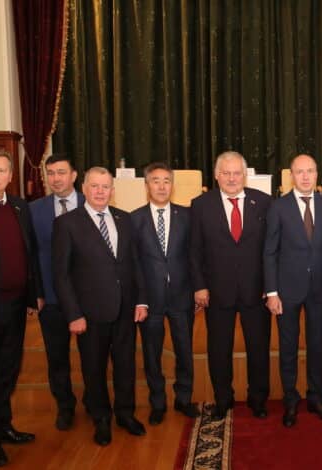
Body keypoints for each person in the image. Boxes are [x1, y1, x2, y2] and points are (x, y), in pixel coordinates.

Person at [52, 167, 148, 446]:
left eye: (105, 187)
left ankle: (125, 414)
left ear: (112, 191)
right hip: (90, 313)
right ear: (84, 189)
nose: (100, 191)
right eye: (94, 186)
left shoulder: (124, 219)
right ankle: (101, 418)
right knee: (93, 369)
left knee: (126, 366)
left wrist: (141, 299)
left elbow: (135, 263)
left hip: (126, 309)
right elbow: (61, 275)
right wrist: (74, 314)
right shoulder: (67, 224)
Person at [190, 152, 272, 420]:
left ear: (245, 175)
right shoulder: (200, 205)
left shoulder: (264, 202)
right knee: (219, 350)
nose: (232, 178)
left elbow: (272, 249)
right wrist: (200, 286)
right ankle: (223, 399)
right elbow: (194, 250)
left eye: (237, 173)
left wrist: (270, 285)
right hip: (217, 291)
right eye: (226, 173)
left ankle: (258, 399)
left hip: (256, 291)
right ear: (217, 175)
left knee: (258, 349)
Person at [264, 154, 322, 427]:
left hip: (320, 289)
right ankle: (290, 400)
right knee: (288, 347)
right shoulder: (278, 207)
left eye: (310, 171)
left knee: (317, 345)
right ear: (291, 176)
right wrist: (271, 292)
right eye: (300, 172)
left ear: (317, 174)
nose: (305, 176)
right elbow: (270, 252)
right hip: (287, 291)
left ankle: (316, 398)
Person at [0, 150, 43, 467]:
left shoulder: (20, 207)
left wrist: (33, 296)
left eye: (0, 171)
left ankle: (3, 425)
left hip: (15, 304)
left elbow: (29, 254)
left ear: (10, 176)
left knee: (8, 369)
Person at [131, 162, 198, 425]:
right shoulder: (134, 219)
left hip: (182, 296)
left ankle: (184, 398)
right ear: (146, 185)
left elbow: (195, 257)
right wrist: (140, 299)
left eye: (166, 181)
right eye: (155, 181)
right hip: (150, 299)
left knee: (185, 350)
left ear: (172, 185)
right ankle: (157, 402)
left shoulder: (187, 216)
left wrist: (198, 289)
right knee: (152, 354)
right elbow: (134, 263)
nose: (161, 186)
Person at [29, 154, 85, 431]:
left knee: (92, 357)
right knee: (57, 358)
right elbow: (30, 255)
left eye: (61, 172)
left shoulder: (91, 202)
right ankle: (65, 406)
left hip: (87, 297)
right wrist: (36, 292)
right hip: (50, 298)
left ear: (73, 175)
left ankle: (95, 402)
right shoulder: (34, 210)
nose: (55, 178)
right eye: (50, 173)